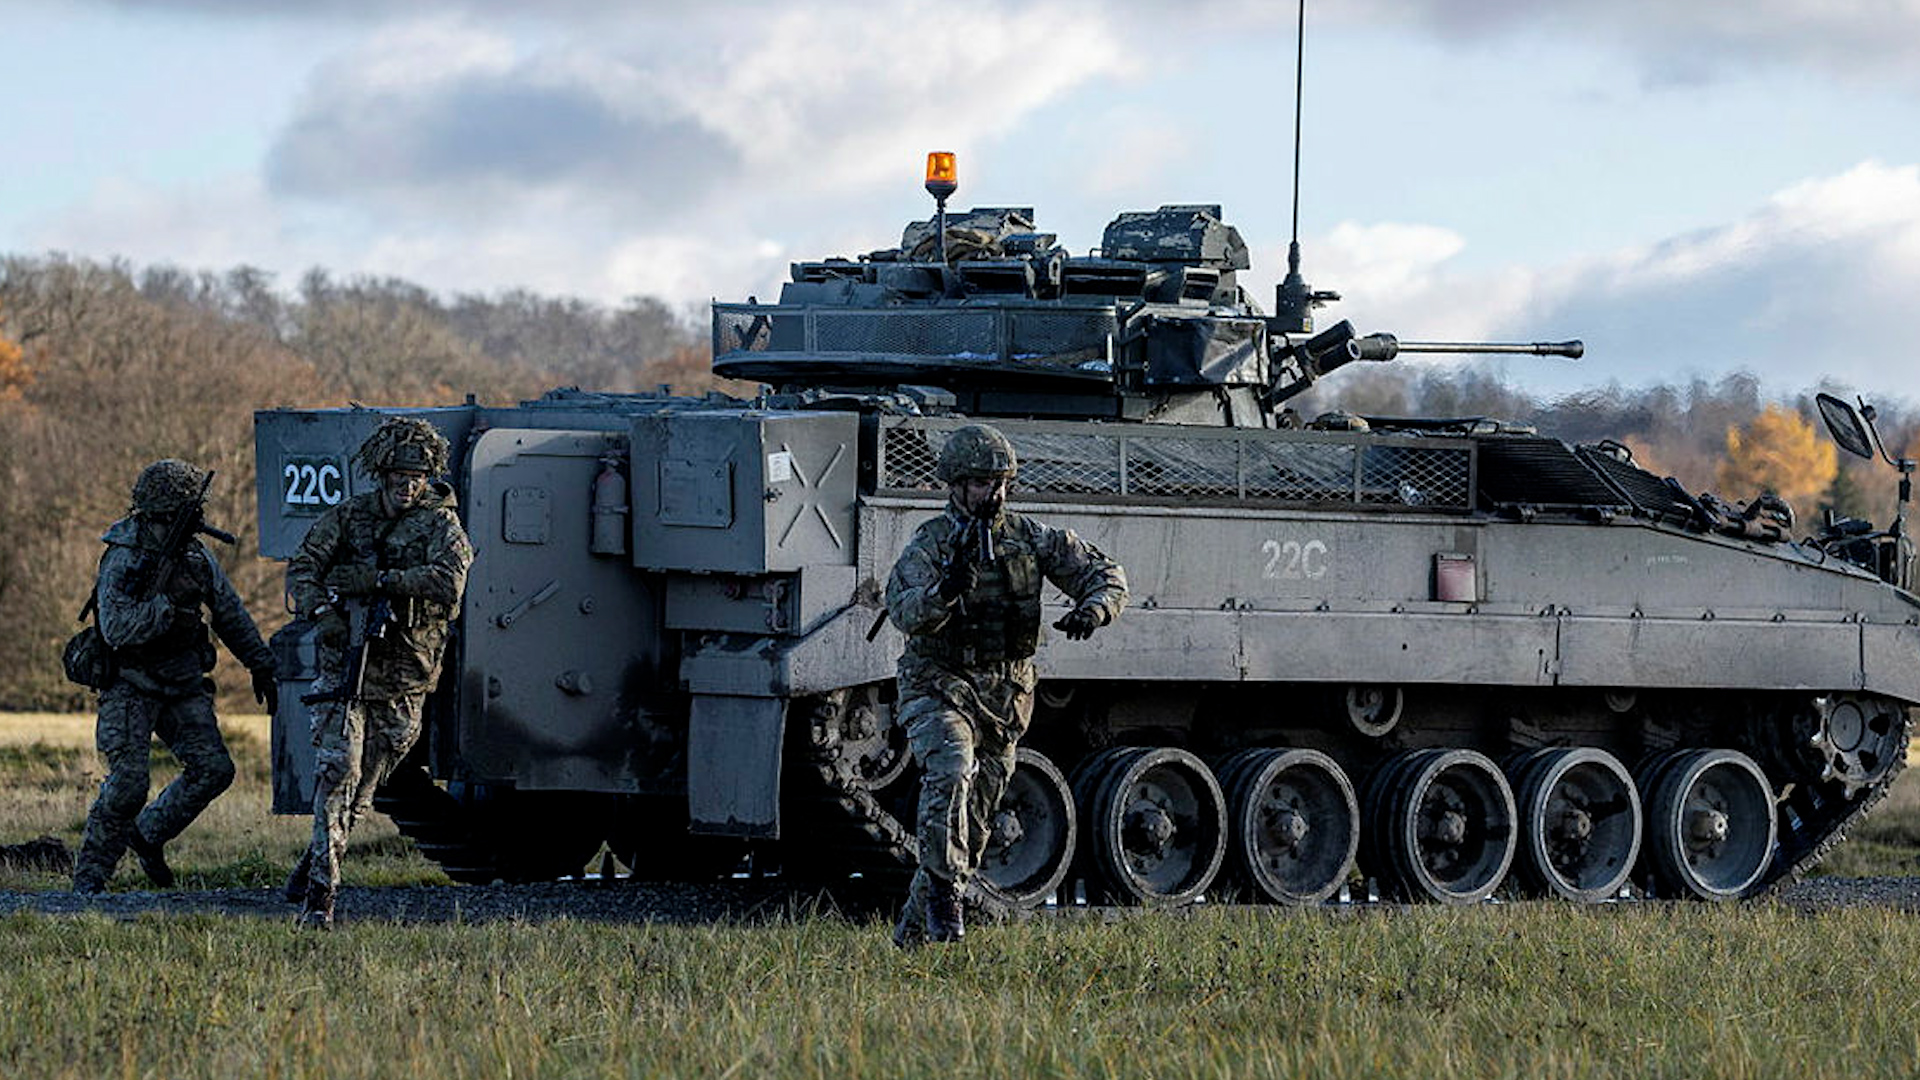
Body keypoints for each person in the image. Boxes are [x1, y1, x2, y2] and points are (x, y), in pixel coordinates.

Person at [884, 423, 1127, 946]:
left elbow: (1104, 574)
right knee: (951, 770)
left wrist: (1094, 609)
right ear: (956, 484)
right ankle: (945, 899)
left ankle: (913, 936)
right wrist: (945, 591)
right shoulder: (931, 543)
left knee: (972, 830)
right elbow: (903, 610)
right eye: (981, 483)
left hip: (1004, 697)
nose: (993, 494)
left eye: (1000, 483)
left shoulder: (1029, 537)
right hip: (939, 684)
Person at [283, 417, 472, 928]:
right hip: (344, 669)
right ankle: (320, 897)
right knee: (337, 772)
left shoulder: (442, 526)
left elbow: (449, 583)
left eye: (417, 478)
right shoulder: (350, 517)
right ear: (383, 475)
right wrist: (321, 613)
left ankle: (320, 853)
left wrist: (382, 580)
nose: (408, 487)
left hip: (405, 676)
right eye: (400, 477)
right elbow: (304, 567)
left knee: (365, 787)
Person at [72, 460, 278, 894]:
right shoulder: (123, 557)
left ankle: (148, 836)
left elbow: (229, 613)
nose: (183, 526)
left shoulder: (197, 557)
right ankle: (90, 878)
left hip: (181, 681)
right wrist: (166, 606)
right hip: (129, 682)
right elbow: (116, 628)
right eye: (173, 518)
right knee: (128, 785)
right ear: (151, 514)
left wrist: (260, 664)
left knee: (214, 769)